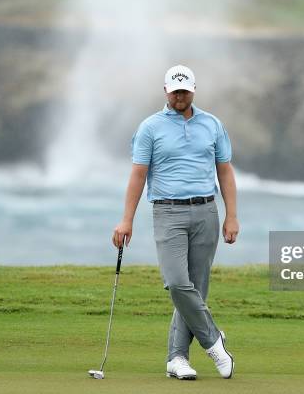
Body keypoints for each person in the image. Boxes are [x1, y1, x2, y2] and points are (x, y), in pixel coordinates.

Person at [112, 65, 239, 380]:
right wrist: (126, 220)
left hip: (206, 211)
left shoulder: (212, 124)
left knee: (197, 287)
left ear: (193, 90)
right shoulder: (150, 128)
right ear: (165, 91)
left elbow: (225, 170)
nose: (179, 96)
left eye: (184, 90)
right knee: (176, 282)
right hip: (167, 212)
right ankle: (214, 341)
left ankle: (177, 359)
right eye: (174, 91)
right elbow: (138, 175)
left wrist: (231, 216)